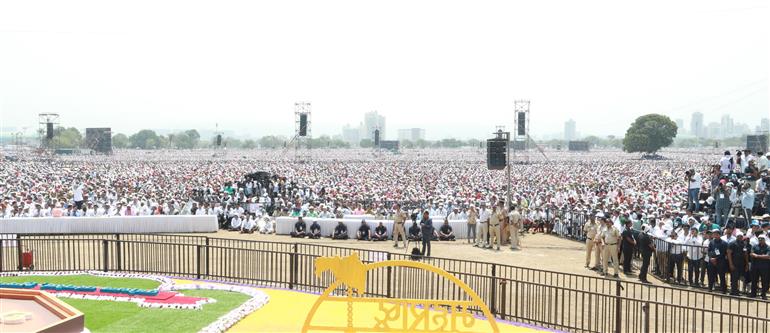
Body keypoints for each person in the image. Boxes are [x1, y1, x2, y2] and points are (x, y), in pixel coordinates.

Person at [708, 228, 728, 293]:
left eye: (716, 234)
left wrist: (716, 259)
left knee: (721, 276)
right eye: (713, 234)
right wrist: (711, 258)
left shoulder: (724, 243)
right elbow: (709, 250)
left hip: (720, 262)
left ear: (719, 234)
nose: (714, 235)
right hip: (712, 262)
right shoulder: (711, 242)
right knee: (711, 276)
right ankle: (710, 288)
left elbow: (723, 253)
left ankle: (723, 290)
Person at [750, 235, 770, 299]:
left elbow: (768, 256)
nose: (760, 240)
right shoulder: (754, 246)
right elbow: (752, 254)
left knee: (764, 281)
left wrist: (757, 256)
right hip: (755, 267)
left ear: (765, 239)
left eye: (762, 239)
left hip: (764, 267)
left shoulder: (768, 247)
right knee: (754, 281)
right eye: (759, 239)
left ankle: (763, 294)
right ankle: (753, 294)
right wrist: (762, 256)